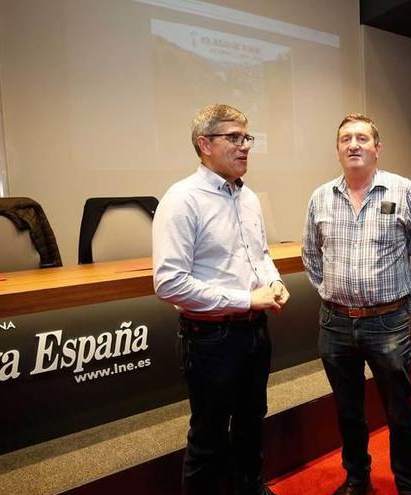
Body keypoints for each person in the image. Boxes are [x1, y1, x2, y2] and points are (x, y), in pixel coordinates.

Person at [152, 103, 290, 495]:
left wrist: (273, 281)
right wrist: (247, 299)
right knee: (208, 438)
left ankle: (251, 488)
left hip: (254, 333)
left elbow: (259, 253)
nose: (244, 146)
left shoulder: (247, 197)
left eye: (246, 137)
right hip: (211, 338)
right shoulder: (182, 199)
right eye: (233, 138)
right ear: (203, 144)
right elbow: (168, 283)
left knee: (251, 422)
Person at [302, 113, 411, 495]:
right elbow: (311, 255)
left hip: (388, 322)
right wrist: (330, 293)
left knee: (399, 412)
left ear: (377, 147)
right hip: (336, 324)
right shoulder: (320, 197)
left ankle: (409, 485)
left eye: (362, 138)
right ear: (337, 149)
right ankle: (357, 479)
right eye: (345, 139)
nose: (353, 144)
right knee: (347, 411)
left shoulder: (403, 190)